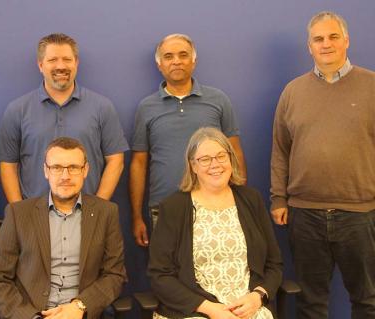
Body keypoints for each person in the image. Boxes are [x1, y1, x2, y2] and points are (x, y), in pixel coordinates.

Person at [271, 11, 375, 318]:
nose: (325, 44)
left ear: (346, 41)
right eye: (318, 38)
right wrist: (278, 197)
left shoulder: (372, 86)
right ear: (310, 46)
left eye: (332, 37)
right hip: (304, 214)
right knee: (310, 303)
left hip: (360, 214)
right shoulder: (293, 91)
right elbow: (280, 150)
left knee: (367, 300)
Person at [0, 137, 127, 319]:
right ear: (46, 171)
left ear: (85, 170)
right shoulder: (18, 213)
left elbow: (115, 275)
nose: (65, 176)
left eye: (73, 168)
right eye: (57, 167)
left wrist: (80, 306)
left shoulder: (106, 213)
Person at [148, 127, 282, 319]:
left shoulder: (251, 199)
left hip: (248, 308)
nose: (215, 164)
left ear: (230, 159)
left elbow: (274, 263)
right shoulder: (174, 207)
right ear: (193, 166)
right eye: (205, 159)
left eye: (221, 156)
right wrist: (210, 309)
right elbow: (159, 275)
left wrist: (258, 296)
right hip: (196, 310)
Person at [130, 33, 246, 247]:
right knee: (167, 275)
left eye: (183, 55)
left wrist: (240, 201)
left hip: (216, 205)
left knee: (215, 271)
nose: (176, 61)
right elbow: (138, 163)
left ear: (194, 61)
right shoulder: (146, 107)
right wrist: (136, 216)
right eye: (168, 56)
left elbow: (235, 152)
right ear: (159, 64)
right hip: (163, 207)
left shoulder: (218, 100)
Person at [0, 33, 128, 203]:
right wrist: (19, 213)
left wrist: (98, 208)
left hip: (87, 213)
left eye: (67, 59)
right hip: (34, 215)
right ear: (41, 65)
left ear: (76, 63)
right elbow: (8, 166)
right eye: (52, 60)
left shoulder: (102, 107)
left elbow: (116, 160)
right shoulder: (17, 110)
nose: (61, 66)